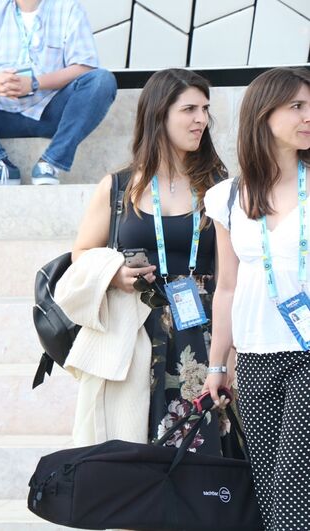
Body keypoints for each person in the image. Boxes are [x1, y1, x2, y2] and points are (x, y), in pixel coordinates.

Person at [68, 69, 240, 455]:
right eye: (190, 109)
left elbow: (234, 273)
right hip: (136, 332)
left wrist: (229, 352)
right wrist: (113, 273)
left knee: (206, 452)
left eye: (205, 110)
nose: (201, 120)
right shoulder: (118, 187)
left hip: (205, 331)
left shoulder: (219, 185)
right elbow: (81, 252)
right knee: (135, 449)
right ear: (159, 114)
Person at [203, 67, 310, 530]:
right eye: (298, 107)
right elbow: (227, 285)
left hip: (307, 354)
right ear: (263, 115)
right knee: (267, 485)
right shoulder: (226, 197)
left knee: (290, 482)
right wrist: (217, 364)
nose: (309, 116)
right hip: (254, 355)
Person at [0, 0, 116, 186]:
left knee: (101, 80)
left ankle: (51, 162)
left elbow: (84, 67)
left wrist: (34, 83)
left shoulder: (68, 8)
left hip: (50, 111)